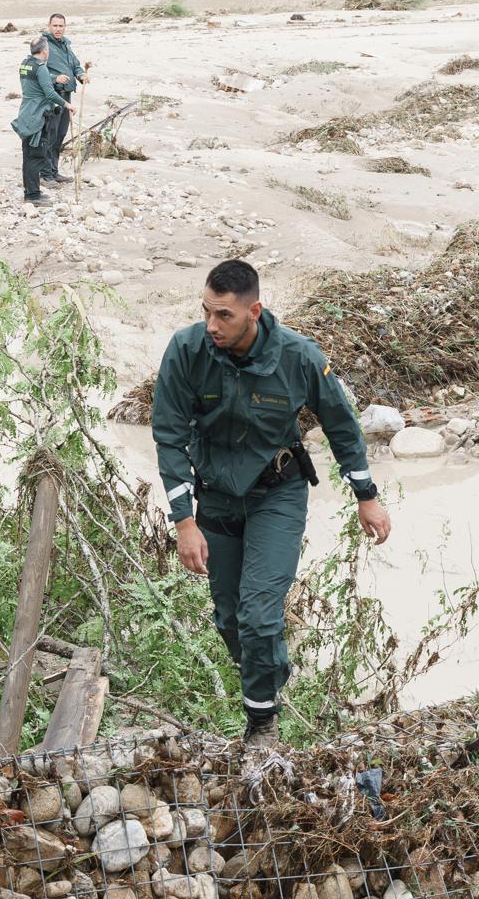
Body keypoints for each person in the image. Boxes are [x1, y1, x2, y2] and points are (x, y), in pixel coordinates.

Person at [150, 260, 392, 750]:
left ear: (254, 311)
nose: (212, 326)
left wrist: (367, 497)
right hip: (215, 495)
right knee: (229, 620)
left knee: (258, 615)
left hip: (277, 493)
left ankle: (262, 726)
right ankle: (270, 668)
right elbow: (168, 437)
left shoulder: (299, 357)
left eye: (224, 316)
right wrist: (184, 522)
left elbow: (342, 426)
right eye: (206, 313)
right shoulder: (187, 349)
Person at [13, 37, 72, 206]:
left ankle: (30, 192)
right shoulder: (41, 68)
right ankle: (33, 195)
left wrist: (53, 78)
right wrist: (67, 104)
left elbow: (40, 79)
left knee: (28, 155)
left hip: (26, 113)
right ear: (45, 51)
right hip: (37, 116)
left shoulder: (25, 63)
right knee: (36, 155)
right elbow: (49, 94)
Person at [39, 13, 88, 183]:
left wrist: (81, 75)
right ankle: (45, 174)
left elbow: (75, 64)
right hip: (52, 96)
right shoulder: (43, 44)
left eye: (61, 26)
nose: (58, 29)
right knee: (50, 134)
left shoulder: (66, 44)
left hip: (66, 95)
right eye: (55, 26)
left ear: (65, 27)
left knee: (60, 134)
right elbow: (36, 68)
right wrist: (54, 78)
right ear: (49, 26)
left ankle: (54, 171)